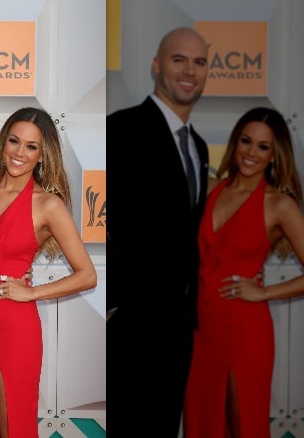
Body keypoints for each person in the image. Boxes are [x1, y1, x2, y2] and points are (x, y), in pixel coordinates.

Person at [0, 107, 97, 437]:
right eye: (14, 141)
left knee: (13, 426)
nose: (19, 152)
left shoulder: (48, 205)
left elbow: (87, 274)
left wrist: (31, 291)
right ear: (4, 143)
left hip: (12, 330)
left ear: (43, 154)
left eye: (31, 146)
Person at [183, 107, 304, 437]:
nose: (251, 152)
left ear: (275, 154)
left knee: (245, 425)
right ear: (235, 143)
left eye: (263, 146)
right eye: (246, 141)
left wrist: (263, 292)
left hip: (245, 330)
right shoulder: (208, 189)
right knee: (202, 425)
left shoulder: (280, 205)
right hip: (199, 330)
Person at [105, 27, 210, 436]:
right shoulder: (123, 129)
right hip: (133, 327)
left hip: (180, 326)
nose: (190, 71)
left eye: (199, 62)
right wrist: (118, 303)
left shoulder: (198, 147)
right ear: (156, 65)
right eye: (178, 59)